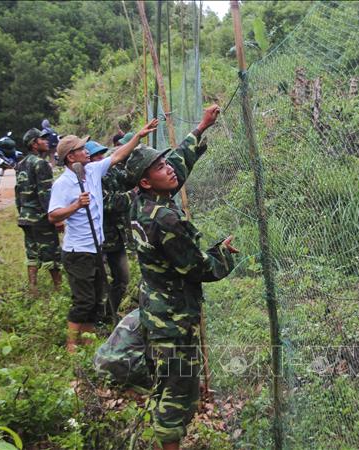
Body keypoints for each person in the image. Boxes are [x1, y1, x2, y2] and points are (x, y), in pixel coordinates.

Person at [125, 104, 237, 450]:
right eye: (159, 166)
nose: (169, 169)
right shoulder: (165, 220)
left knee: (169, 383)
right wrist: (224, 255)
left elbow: (179, 165)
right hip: (174, 320)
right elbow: (198, 268)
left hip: (158, 312)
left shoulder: (142, 203)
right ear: (146, 181)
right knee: (176, 393)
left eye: (165, 162)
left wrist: (201, 127)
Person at [48, 118, 158, 353]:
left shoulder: (92, 170)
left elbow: (117, 156)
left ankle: (87, 342)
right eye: (81, 149)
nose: (86, 151)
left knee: (97, 296)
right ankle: (71, 346)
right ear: (71, 157)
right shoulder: (63, 183)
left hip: (96, 248)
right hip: (78, 252)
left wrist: (138, 135)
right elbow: (53, 216)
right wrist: (76, 205)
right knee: (84, 300)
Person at [86, 140, 132, 323]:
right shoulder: (88, 179)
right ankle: (98, 317)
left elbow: (128, 179)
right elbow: (110, 203)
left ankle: (107, 315)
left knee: (122, 279)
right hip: (97, 239)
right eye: (94, 156)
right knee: (98, 281)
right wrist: (133, 194)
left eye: (101, 154)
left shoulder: (111, 172)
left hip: (117, 237)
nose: (99, 158)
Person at [15, 128, 63, 295]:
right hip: (40, 217)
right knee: (52, 252)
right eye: (42, 139)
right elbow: (45, 194)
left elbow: (18, 192)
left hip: (25, 217)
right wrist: (55, 217)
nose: (47, 141)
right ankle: (58, 289)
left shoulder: (20, 164)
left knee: (32, 252)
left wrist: (21, 212)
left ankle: (33, 288)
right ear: (34, 144)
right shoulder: (41, 164)